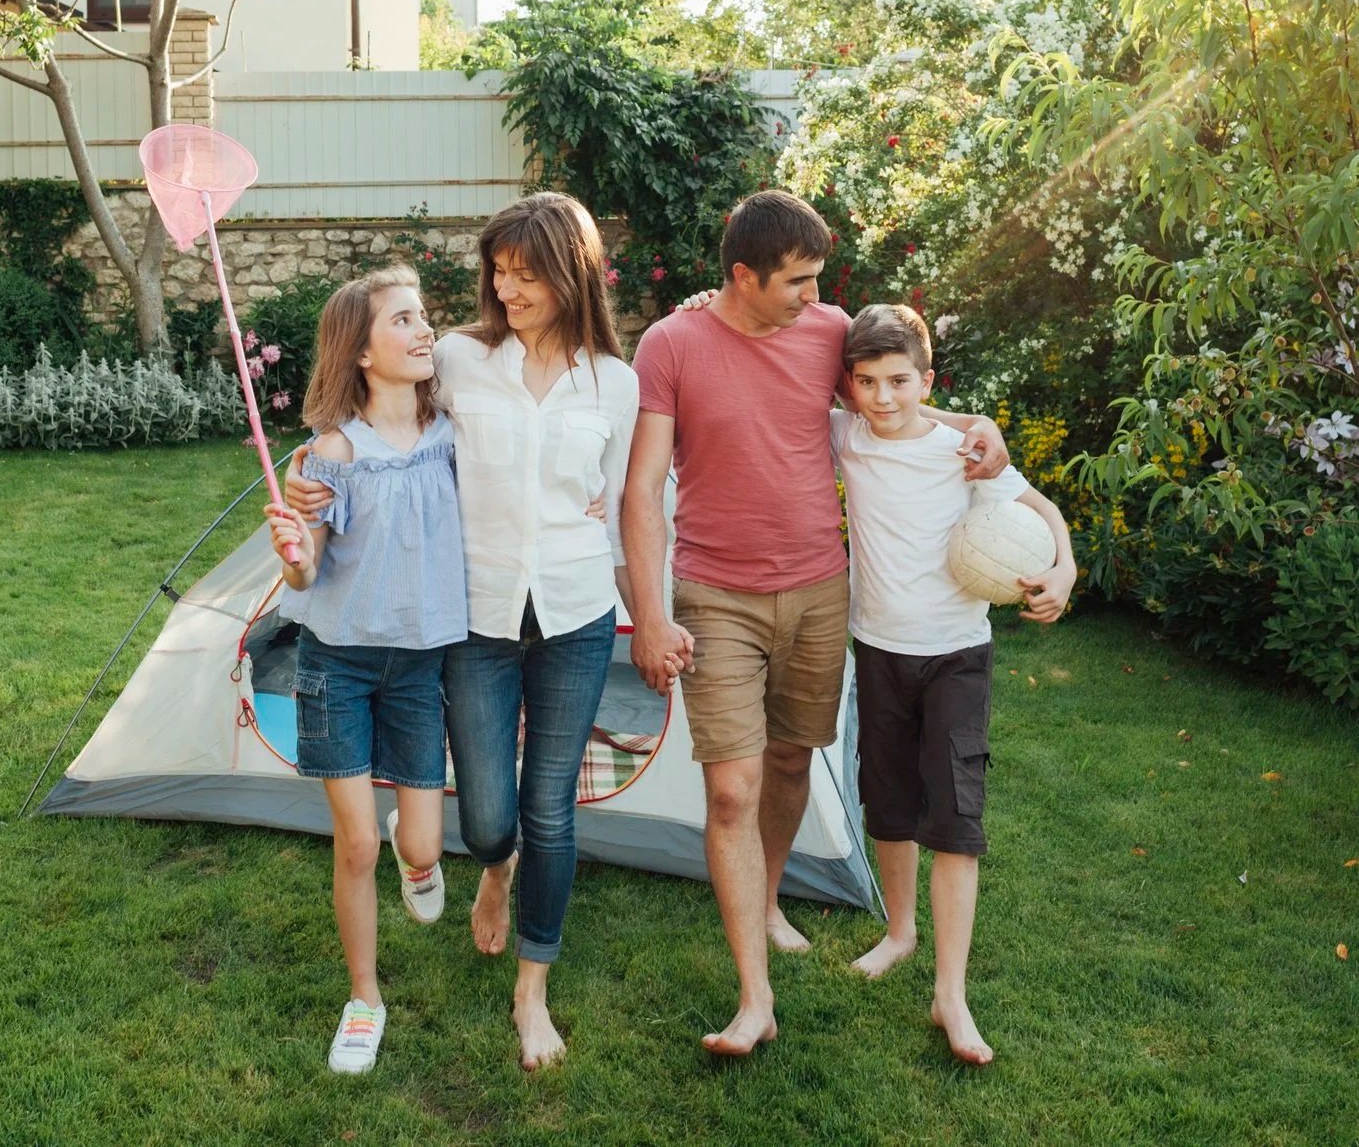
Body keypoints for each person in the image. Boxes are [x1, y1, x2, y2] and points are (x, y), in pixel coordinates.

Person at [620, 190, 1008, 1057]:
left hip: (820, 589)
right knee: (731, 786)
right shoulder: (671, 343)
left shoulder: (828, 330)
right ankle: (753, 999)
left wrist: (976, 430)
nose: (811, 293)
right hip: (713, 591)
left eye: (816, 278)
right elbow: (642, 486)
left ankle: (764, 903)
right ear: (741, 276)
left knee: (793, 757)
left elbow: (890, 404)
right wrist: (648, 613)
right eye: (795, 279)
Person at [289, 192, 638, 1071]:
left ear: (571, 274)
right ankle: (491, 867)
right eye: (499, 272)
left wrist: (636, 585)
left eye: (525, 274)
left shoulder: (615, 382)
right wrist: (311, 490)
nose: (505, 288)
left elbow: (623, 495)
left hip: (574, 612)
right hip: (474, 617)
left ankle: (532, 992)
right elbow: (380, 420)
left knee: (548, 808)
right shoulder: (454, 357)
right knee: (487, 816)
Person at [835, 303, 1073, 1066]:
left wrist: (1063, 569)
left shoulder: (963, 452)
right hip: (876, 648)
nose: (883, 396)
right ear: (847, 387)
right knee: (890, 803)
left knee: (955, 818)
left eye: (899, 380)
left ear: (926, 380)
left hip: (955, 657)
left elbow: (1041, 510)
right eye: (866, 381)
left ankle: (951, 992)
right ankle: (899, 932)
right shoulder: (846, 437)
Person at [262, 266, 469, 1076]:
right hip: (337, 664)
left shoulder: (453, 432)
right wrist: (291, 553)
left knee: (420, 840)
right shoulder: (331, 455)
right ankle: (364, 997)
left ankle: (407, 844)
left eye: (423, 318)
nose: (425, 332)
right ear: (359, 352)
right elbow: (307, 576)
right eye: (404, 321)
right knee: (352, 845)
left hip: (419, 667)